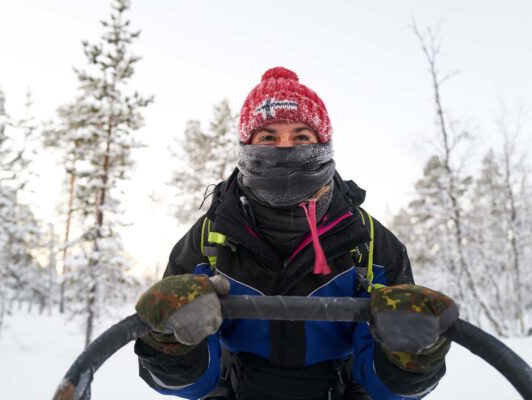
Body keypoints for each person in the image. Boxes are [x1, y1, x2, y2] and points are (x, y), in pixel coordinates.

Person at [134, 67, 458, 400]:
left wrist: (413, 357)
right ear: (247, 146)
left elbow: (391, 390)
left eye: (302, 137)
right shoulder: (209, 239)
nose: (284, 150)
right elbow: (182, 383)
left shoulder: (369, 241)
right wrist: (168, 344)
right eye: (268, 138)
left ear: (323, 143)